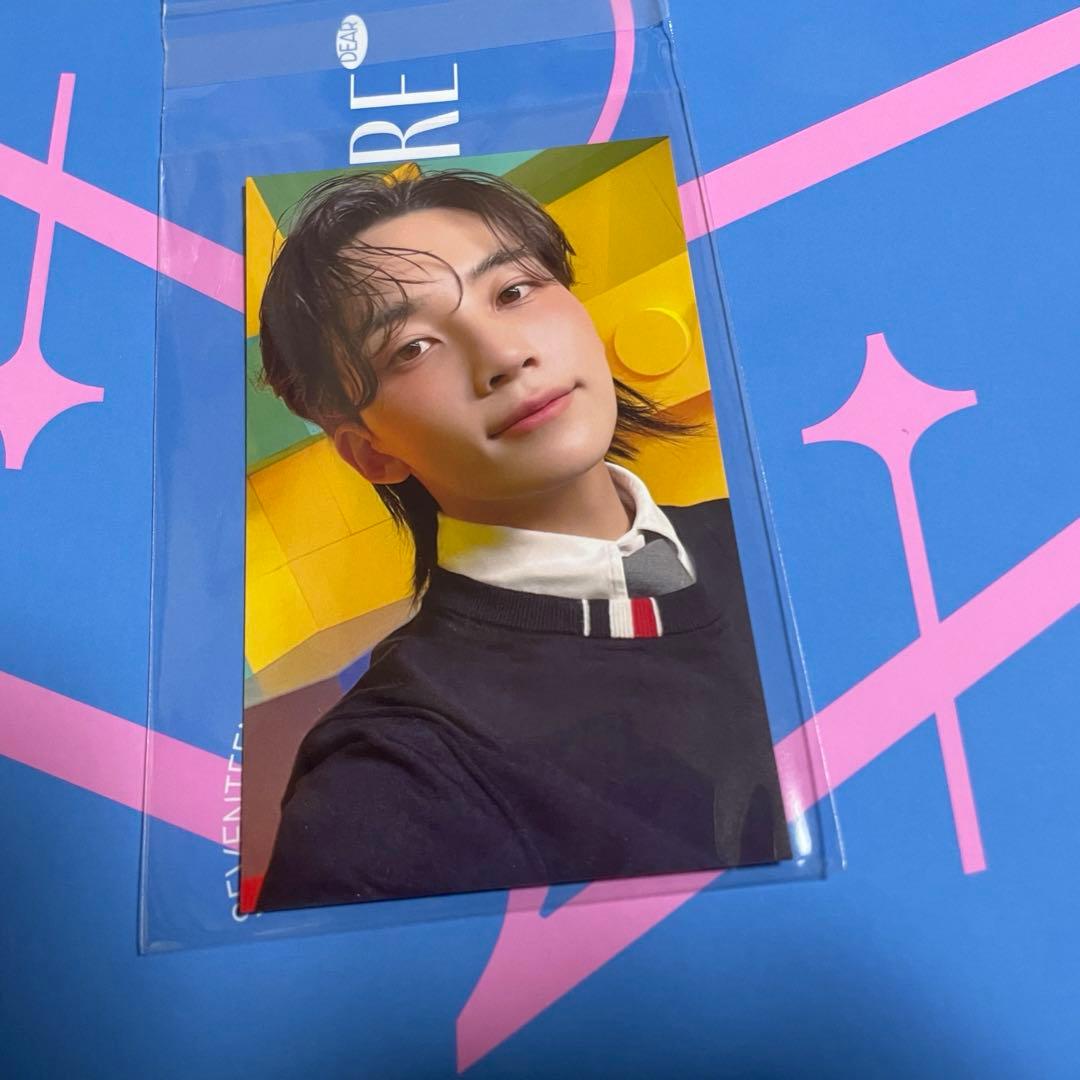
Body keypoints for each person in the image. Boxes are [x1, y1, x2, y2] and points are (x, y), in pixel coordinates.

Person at [252, 166, 790, 911]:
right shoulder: (396, 775)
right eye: (412, 347)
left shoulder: (785, 538)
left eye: (512, 291)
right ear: (371, 451)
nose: (505, 356)